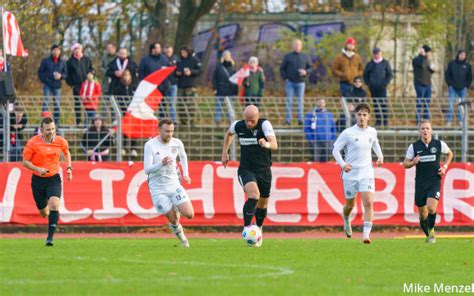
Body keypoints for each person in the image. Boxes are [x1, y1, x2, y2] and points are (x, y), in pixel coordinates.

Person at [221, 105, 278, 247]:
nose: (249, 124)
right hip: (246, 170)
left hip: (264, 170)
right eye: (247, 120)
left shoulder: (264, 124)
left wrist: (266, 144)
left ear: (257, 117)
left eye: (252, 121)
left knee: (263, 203)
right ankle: (247, 229)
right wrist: (224, 151)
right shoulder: (238, 125)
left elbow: (275, 144)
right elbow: (229, 133)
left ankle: (258, 228)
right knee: (254, 195)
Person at [332, 102, 383, 244]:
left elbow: (375, 143)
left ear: (369, 117)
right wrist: (343, 165)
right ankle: (346, 218)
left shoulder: (372, 131)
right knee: (350, 205)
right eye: (359, 114)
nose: (362, 117)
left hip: (367, 173)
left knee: (368, 203)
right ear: (355, 116)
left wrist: (380, 156)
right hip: (351, 174)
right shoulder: (348, 133)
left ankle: (366, 236)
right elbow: (335, 150)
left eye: (364, 115)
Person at [22, 116, 73, 246]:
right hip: (38, 180)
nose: (51, 132)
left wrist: (69, 168)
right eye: (48, 129)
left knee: (55, 204)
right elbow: (25, 162)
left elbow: (67, 153)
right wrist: (37, 169)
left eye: (53, 129)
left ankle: (50, 238)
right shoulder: (33, 142)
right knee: (44, 213)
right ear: (41, 130)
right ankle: (48, 213)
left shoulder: (60, 141)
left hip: (53, 179)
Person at [144, 118, 194, 247]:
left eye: (171, 131)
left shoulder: (177, 143)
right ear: (159, 130)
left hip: (173, 184)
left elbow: (183, 156)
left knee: (189, 214)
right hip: (157, 188)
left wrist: (186, 174)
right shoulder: (150, 145)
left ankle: (175, 204)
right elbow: (147, 169)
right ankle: (184, 240)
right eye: (167, 131)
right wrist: (161, 163)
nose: (169, 134)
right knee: (174, 219)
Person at [403, 120, 453, 243]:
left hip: (434, 181)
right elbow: (405, 163)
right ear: (419, 131)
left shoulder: (439, 144)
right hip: (420, 183)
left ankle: (431, 231)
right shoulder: (414, 147)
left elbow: (450, 153)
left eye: (427, 128)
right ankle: (429, 235)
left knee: (431, 208)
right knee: (423, 214)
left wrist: (445, 167)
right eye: (423, 129)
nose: (425, 131)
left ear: (431, 130)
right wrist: (412, 162)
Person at [280, 39, 312, 126]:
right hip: (290, 82)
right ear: (293, 46)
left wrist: (306, 72)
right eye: (296, 44)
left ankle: (300, 120)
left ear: (301, 46)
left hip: (301, 82)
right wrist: (285, 78)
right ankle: (288, 120)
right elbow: (282, 68)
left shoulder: (305, 56)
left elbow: (310, 68)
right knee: (289, 101)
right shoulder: (288, 56)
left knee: (300, 101)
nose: (297, 46)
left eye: (299, 45)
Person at [111, 69, 138, 158]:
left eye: (128, 75)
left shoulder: (134, 86)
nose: (126, 77)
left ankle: (133, 148)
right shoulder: (118, 87)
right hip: (123, 113)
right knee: (124, 131)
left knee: (134, 130)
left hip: (133, 113)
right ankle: (123, 148)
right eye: (125, 75)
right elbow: (116, 100)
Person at [66, 43, 95, 126]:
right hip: (76, 86)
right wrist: (71, 85)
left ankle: (88, 122)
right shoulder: (70, 61)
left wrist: (91, 73)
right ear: (73, 50)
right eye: (75, 49)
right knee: (77, 104)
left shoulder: (87, 59)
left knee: (88, 104)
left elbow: (91, 69)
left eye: (79, 48)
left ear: (81, 49)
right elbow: (67, 75)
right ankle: (78, 121)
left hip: (86, 85)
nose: (77, 50)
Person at [38, 44, 67, 124]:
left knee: (57, 103)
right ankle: (44, 120)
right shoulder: (45, 61)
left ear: (60, 51)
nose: (56, 52)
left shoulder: (63, 62)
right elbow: (40, 72)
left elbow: (66, 74)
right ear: (52, 51)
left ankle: (56, 121)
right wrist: (44, 80)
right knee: (46, 102)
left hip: (57, 85)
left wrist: (61, 76)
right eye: (55, 50)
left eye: (58, 50)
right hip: (47, 84)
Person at [363, 48, 393, 127]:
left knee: (383, 104)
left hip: (382, 88)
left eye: (378, 54)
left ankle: (385, 122)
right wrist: (368, 84)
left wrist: (385, 83)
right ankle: (378, 121)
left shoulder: (385, 63)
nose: (376, 55)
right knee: (376, 105)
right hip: (373, 88)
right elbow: (365, 75)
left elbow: (390, 74)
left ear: (380, 54)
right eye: (375, 54)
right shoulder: (370, 64)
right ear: (373, 54)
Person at [175, 47, 202, 127]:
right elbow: (174, 72)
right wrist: (177, 73)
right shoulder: (179, 61)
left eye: (184, 52)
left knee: (192, 104)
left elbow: (200, 71)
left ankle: (192, 121)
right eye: (181, 52)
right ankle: (183, 122)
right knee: (181, 104)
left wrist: (191, 72)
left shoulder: (194, 60)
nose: (183, 54)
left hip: (191, 86)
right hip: (180, 85)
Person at [445, 49, 472, 127]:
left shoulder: (467, 65)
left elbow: (469, 77)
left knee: (461, 105)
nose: (462, 56)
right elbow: (447, 74)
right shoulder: (452, 64)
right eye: (461, 55)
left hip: (463, 88)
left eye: (464, 55)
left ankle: (460, 121)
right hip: (452, 88)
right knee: (450, 104)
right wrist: (449, 84)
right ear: (458, 55)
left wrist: (467, 86)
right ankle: (449, 121)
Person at [212, 50, 238, 126]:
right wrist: (215, 88)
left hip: (230, 90)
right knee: (218, 106)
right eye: (225, 55)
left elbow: (236, 79)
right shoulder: (219, 66)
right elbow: (214, 78)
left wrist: (235, 91)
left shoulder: (233, 67)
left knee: (230, 107)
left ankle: (231, 121)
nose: (227, 57)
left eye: (228, 55)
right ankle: (217, 121)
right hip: (220, 89)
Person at [412, 45, 436, 123]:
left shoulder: (427, 60)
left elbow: (430, 70)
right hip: (419, 83)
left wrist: (432, 68)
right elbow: (421, 65)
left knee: (427, 102)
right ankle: (418, 119)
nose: (429, 54)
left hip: (428, 83)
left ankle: (426, 119)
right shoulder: (416, 60)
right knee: (420, 101)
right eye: (428, 52)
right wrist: (422, 55)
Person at [164, 45, 179, 123]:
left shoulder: (176, 59)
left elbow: (179, 68)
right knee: (163, 103)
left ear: (172, 50)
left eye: (169, 51)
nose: (168, 53)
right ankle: (163, 119)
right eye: (166, 51)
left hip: (173, 84)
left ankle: (173, 120)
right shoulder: (162, 59)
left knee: (172, 103)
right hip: (164, 84)